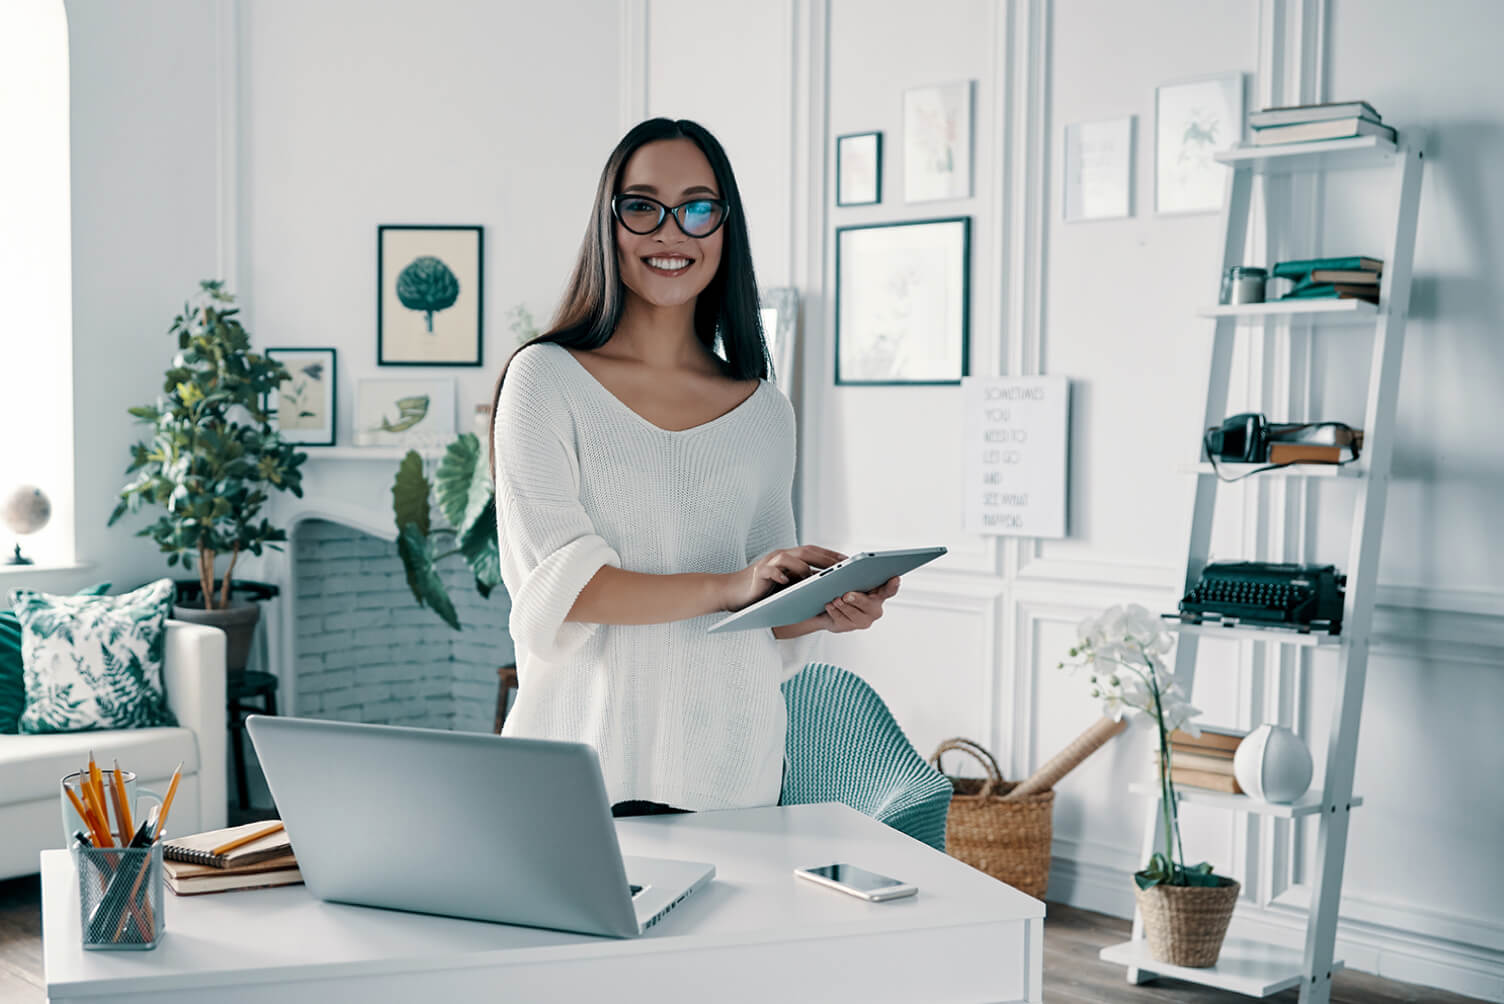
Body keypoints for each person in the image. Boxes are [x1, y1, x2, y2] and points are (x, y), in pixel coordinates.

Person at [488, 118, 900, 818]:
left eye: (698, 207)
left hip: (731, 770)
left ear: (724, 227)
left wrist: (822, 609)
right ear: (608, 224)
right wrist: (732, 583)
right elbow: (566, 591)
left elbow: (754, 612)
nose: (670, 232)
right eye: (643, 206)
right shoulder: (544, 380)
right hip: (580, 763)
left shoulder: (765, 410)